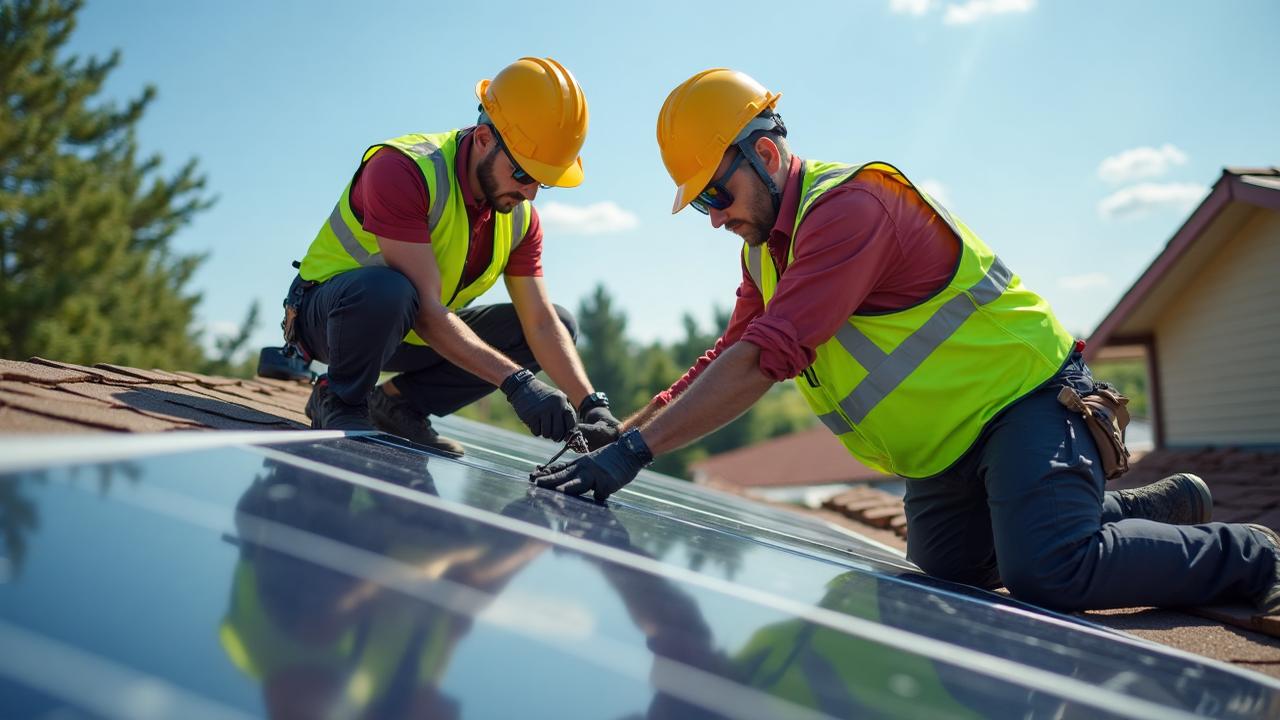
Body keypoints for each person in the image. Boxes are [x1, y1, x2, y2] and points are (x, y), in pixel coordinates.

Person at [532, 68, 1280, 614]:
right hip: (950, 449)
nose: (714, 217)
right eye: (699, 205)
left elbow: (768, 357)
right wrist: (620, 435)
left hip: (1028, 403)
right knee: (947, 564)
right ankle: (1159, 504)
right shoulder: (762, 250)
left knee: (1051, 572)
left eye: (714, 195)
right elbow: (722, 357)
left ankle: (1252, 556)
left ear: (763, 155)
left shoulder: (850, 209)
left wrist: (630, 458)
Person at [286, 57, 619, 455]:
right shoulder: (402, 169)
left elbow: (541, 324)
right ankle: (338, 397)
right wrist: (518, 384)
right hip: (333, 319)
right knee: (389, 291)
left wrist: (591, 405)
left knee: (560, 325)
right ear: (483, 139)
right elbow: (426, 309)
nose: (530, 193)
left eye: (543, 182)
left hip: (411, 331)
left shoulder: (519, 218)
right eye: (524, 174)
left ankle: (396, 404)